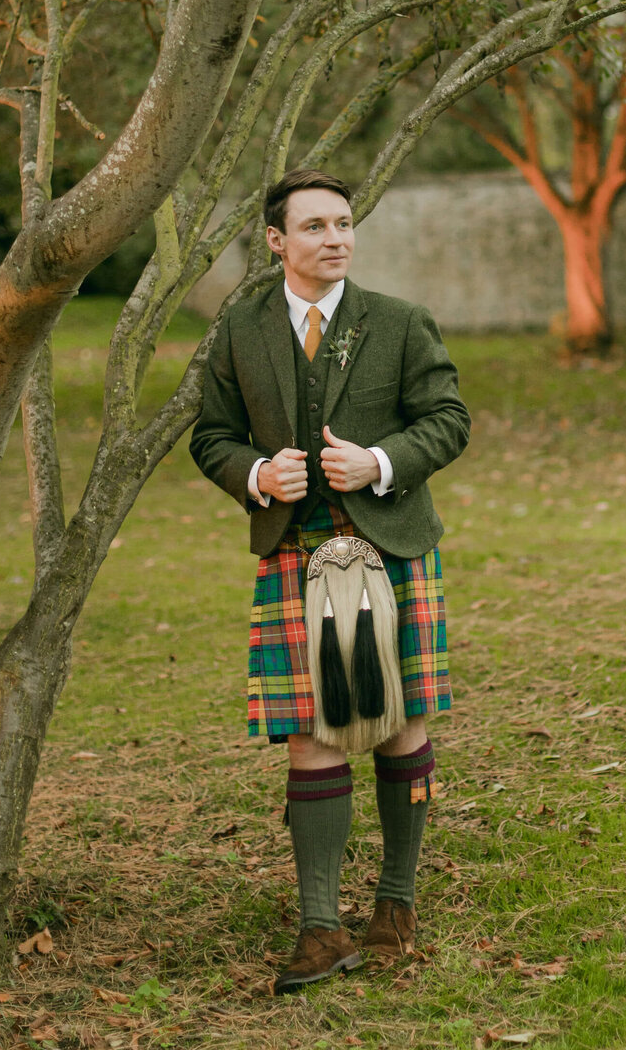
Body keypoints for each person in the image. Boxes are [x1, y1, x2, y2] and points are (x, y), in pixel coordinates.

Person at [190, 166, 470, 991]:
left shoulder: (398, 322)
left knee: (399, 721)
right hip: (293, 549)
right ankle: (319, 928)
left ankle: (395, 902)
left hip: (390, 544)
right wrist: (253, 476)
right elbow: (212, 437)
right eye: (315, 226)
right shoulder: (239, 333)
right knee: (312, 732)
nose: (337, 238)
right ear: (276, 241)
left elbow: (448, 420)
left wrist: (380, 461)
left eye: (344, 224)